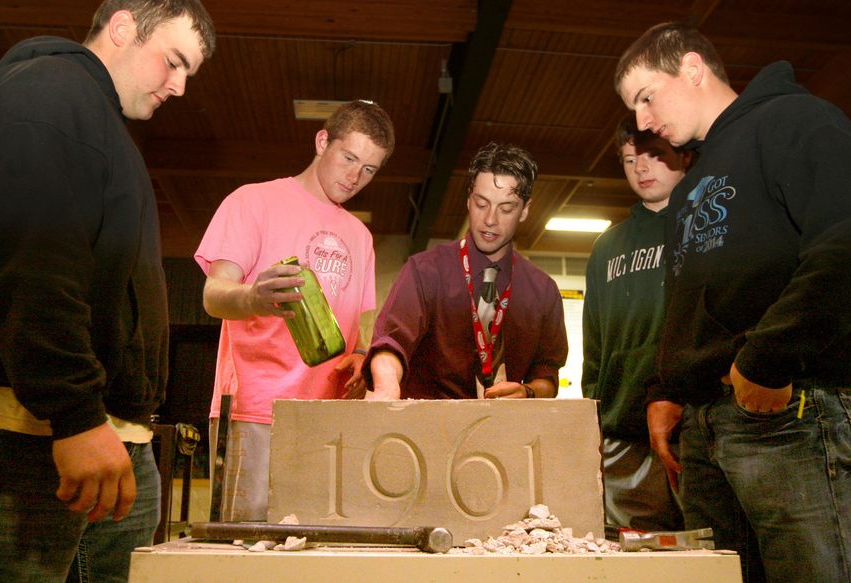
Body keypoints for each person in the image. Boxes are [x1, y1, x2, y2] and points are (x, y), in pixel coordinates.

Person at [0, 1, 216, 582]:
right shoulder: (47, 95)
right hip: (36, 437)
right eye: (175, 61)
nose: (179, 87)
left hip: (112, 437)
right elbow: (31, 261)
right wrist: (76, 417)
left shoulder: (99, 123)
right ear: (124, 26)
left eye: (190, 74)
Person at [615, 21, 851, 583]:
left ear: (692, 68)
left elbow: (843, 244)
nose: (643, 121)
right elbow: (688, 299)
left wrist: (766, 357)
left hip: (787, 413)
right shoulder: (696, 179)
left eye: (646, 97)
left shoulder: (797, 121)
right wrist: (667, 389)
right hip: (704, 430)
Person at [195, 100, 394, 521]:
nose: (355, 177)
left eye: (370, 169)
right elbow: (214, 294)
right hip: (255, 410)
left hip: (327, 417)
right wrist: (252, 297)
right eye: (349, 158)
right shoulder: (253, 202)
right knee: (244, 548)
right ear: (323, 141)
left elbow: (359, 329)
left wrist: (361, 357)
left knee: (312, 552)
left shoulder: (360, 237)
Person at [364, 142, 567, 400]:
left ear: (525, 210)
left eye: (506, 209)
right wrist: (387, 388)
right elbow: (390, 344)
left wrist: (527, 392)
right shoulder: (425, 271)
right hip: (429, 432)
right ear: (468, 199)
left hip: (506, 434)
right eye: (482, 204)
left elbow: (547, 378)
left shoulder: (543, 291)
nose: (490, 219)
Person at [582, 115, 689, 532]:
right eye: (629, 160)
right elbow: (595, 344)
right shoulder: (607, 246)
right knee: (633, 557)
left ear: (684, 155)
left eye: (653, 156)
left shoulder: (706, 228)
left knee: (710, 553)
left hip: (689, 423)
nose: (641, 168)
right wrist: (595, 415)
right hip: (622, 429)